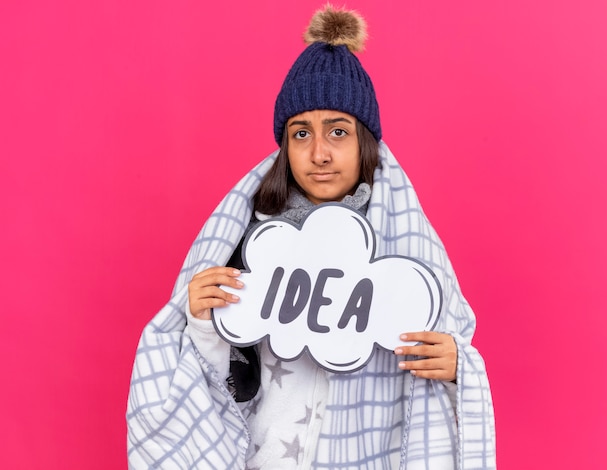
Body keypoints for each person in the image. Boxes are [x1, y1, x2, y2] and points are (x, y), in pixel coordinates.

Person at [127, 5, 496, 469]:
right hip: (268, 455)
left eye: (337, 132)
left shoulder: (405, 245)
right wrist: (202, 323)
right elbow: (225, 380)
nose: (319, 153)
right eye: (301, 133)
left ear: (365, 142)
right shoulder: (251, 238)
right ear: (285, 146)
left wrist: (457, 366)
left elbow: (452, 338)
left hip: (370, 453)